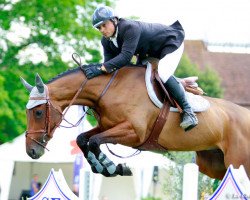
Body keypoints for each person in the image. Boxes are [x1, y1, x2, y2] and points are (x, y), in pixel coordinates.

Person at [83, 5, 198, 131]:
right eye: (99, 28)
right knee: (137, 76)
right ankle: (177, 82)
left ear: (114, 20)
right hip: (149, 51)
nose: (102, 30)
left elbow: (125, 57)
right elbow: (110, 66)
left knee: (163, 73)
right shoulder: (106, 41)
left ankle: (188, 112)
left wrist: (99, 69)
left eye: (104, 25)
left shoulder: (129, 27)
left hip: (170, 42)